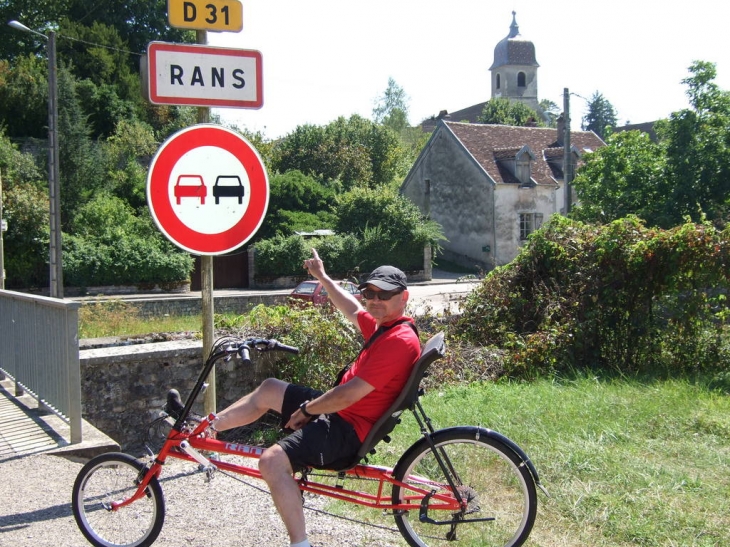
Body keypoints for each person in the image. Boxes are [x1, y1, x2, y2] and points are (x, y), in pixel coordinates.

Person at [212, 249, 421, 547]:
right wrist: (322, 277)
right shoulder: (386, 327)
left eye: (383, 294)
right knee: (270, 387)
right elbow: (350, 308)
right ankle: (208, 430)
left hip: (348, 430)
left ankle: (301, 543)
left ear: (404, 297)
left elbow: (349, 395)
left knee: (271, 461)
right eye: (370, 293)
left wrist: (308, 410)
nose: (374, 300)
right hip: (341, 415)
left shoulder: (398, 341)